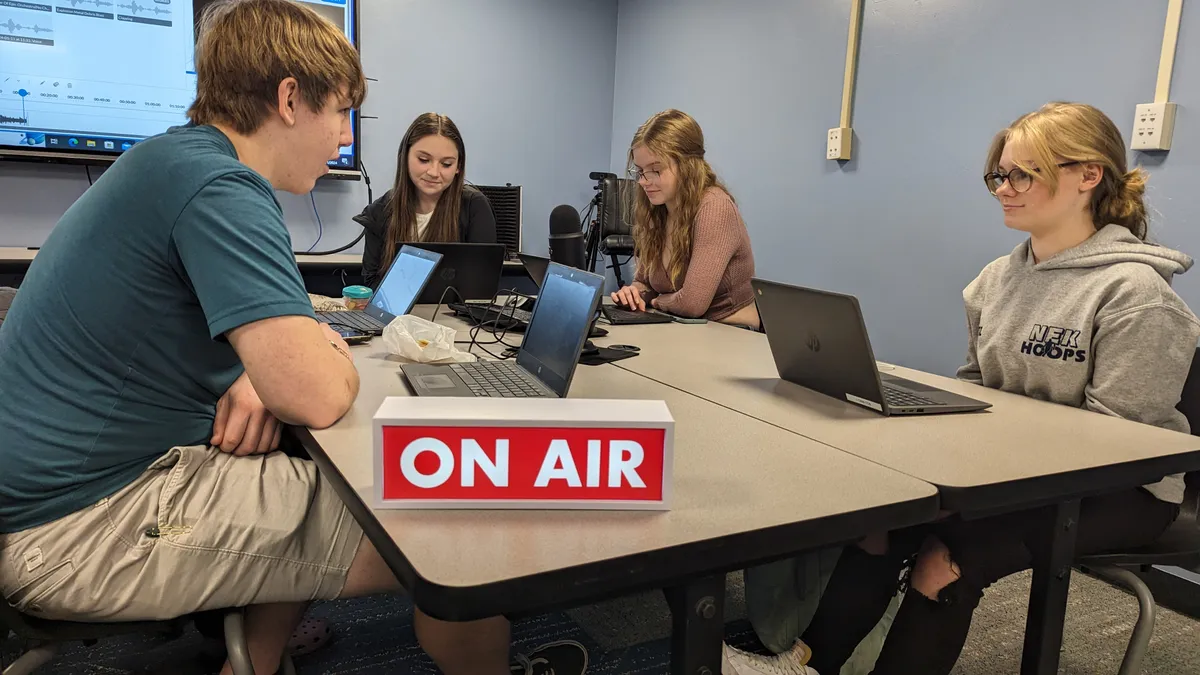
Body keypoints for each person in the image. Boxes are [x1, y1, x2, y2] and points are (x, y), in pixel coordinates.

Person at [0, 2, 585, 675]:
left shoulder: (176, 162)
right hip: (80, 528)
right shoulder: (221, 187)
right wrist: (315, 353)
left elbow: (237, 330)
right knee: (448, 520)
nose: (342, 136)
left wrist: (269, 364)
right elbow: (317, 393)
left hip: (59, 495)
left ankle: (255, 664)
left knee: (310, 465)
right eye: (340, 112)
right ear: (288, 99)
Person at [723, 101, 1200, 675]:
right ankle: (804, 663)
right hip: (1021, 469)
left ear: (1086, 175)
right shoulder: (995, 280)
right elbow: (978, 386)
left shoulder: (1136, 295)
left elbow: (1118, 447)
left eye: (1023, 173)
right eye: (999, 175)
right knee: (881, 524)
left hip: (1122, 490)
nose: (1004, 188)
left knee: (945, 558)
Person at [610, 109, 760, 330]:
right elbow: (645, 282)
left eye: (656, 170)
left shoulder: (714, 207)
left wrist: (655, 301)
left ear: (687, 166)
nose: (644, 181)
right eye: (641, 171)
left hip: (730, 332)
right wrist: (633, 293)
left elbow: (692, 304)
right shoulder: (658, 210)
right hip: (684, 328)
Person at [353, 112, 496, 288]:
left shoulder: (474, 206)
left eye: (446, 164)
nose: (434, 172)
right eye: (424, 160)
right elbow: (372, 283)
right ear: (405, 157)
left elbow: (482, 285)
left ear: (458, 166)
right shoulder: (379, 212)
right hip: (395, 315)